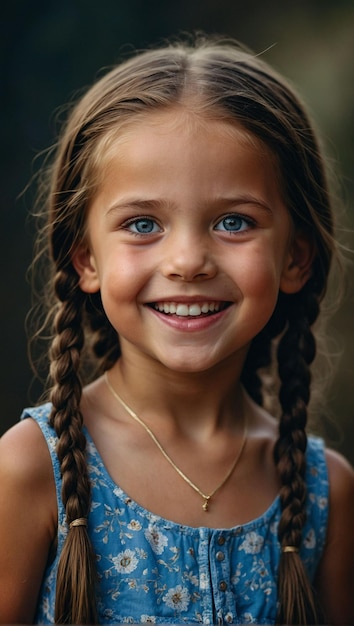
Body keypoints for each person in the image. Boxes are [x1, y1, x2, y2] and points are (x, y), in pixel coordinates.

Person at [0, 35, 353, 625]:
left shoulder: (325, 496)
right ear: (86, 258)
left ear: (296, 257)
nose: (188, 260)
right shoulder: (32, 469)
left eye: (234, 221)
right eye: (143, 223)